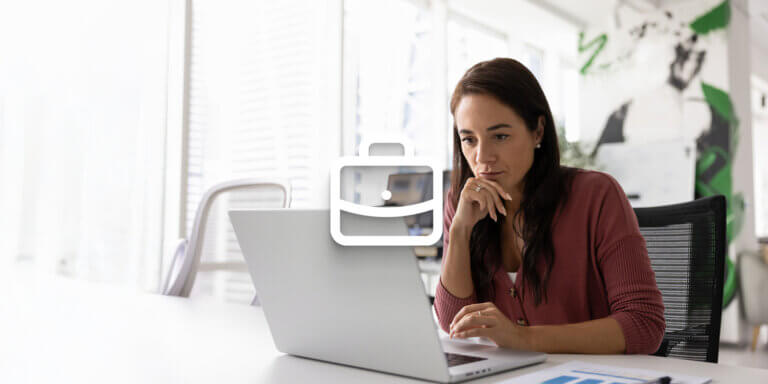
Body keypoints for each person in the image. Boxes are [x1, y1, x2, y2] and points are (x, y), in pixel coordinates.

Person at [435, 57, 665, 354]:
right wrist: (461, 229)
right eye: (469, 140)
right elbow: (456, 324)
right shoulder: (463, 202)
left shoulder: (596, 196)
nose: (482, 157)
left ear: (538, 131)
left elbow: (643, 324)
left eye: (500, 136)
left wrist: (522, 338)